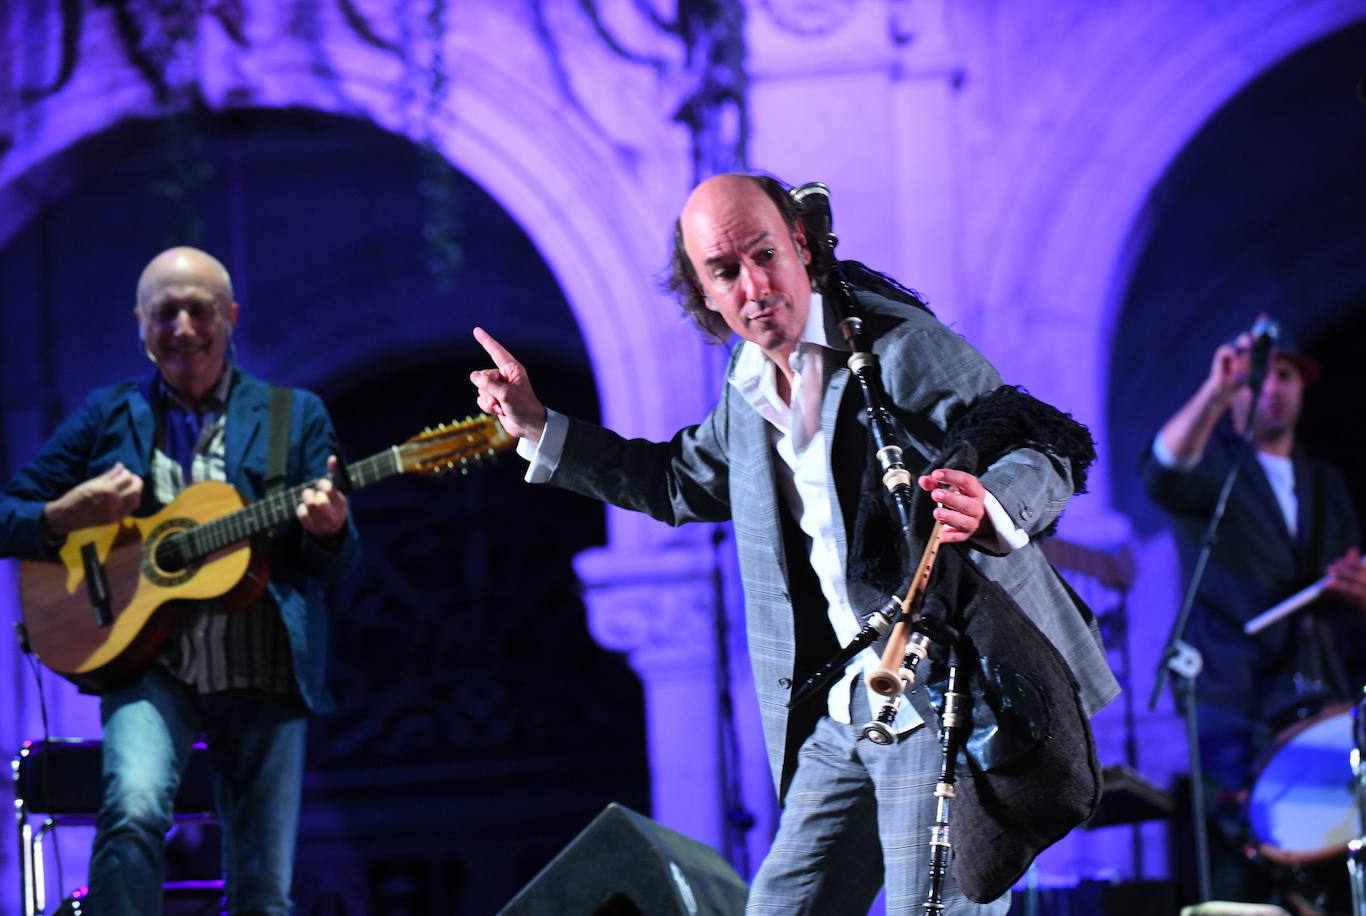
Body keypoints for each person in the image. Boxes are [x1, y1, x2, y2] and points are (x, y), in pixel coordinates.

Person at [470, 173, 1118, 914]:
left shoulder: (895, 351)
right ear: (704, 293)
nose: (754, 285)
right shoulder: (749, 384)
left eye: (765, 255)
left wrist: (993, 501)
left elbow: (1037, 443)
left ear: (802, 247)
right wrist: (538, 427)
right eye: (725, 272)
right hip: (846, 706)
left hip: (943, 697)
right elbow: (679, 481)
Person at [0, 246, 359, 915]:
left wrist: (328, 530)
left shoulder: (292, 416)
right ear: (140, 323)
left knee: (262, 886)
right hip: (145, 659)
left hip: (264, 662)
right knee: (130, 813)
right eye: (166, 311)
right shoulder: (107, 415)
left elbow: (329, 565)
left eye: (200, 309)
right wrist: (60, 515)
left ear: (231, 318)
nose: (184, 326)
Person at [1141, 324, 1366, 904]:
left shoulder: (1326, 484)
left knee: (1332, 850)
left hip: (1315, 687)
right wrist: (1215, 393)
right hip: (1228, 693)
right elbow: (1163, 469)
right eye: (1260, 379)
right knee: (1238, 868)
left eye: (1286, 376)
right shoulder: (1216, 469)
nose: (1274, 389)